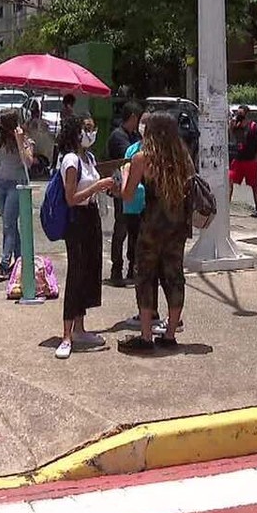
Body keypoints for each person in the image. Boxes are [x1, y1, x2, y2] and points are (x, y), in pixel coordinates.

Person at [117, 113, 194, 355]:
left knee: (145, 276)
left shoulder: (142, 159)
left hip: (151, 225)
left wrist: (125, 173)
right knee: (174, 276)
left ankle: (146, 334)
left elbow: (127, 194)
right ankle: (170, 333)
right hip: (178, 225)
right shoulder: (183, 158)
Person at [54, 115, 116, 360]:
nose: (92, 133)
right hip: (76, 219)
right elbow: (71, 198)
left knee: (90, 270)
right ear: (77, 132)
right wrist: (98, 186)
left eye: (93, 128)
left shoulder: (89, 158)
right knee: (76, 272)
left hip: (91, 216)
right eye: (87, 129)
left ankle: (80, 328)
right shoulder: (70, 160)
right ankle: (67, 334)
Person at [0, 109, 35, 281]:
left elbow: (28, 163)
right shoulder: (2, 140)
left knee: (8, 226)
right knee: (10, 226)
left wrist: (19, 140)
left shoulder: (25, 141)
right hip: (1, 184)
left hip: (16, 185)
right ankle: (19, 262)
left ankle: (4, 264)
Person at [107, 102, 143, 285]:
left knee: (135, 230)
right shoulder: (118, 137)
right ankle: (116, 269)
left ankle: (132, 268)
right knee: (121, 230)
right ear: (133, 117)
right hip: (122, 189)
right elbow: (129, 160)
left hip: (137, 192)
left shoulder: (135, 136)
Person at [228, 105, 257, 219]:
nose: (239, 116)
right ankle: (226, 206)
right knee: (229, 181)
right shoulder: (237, 126)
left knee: (254, 185)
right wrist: (231, 125)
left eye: (241, 114)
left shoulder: (254, 127)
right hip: (238, 159)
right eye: (237, 114)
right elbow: (231, 136)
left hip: (250, 160)